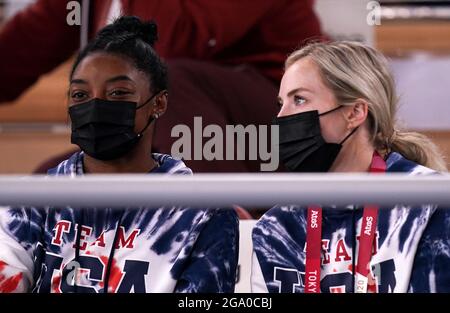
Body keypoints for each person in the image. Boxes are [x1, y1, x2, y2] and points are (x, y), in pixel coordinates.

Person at [0, 16, 238, 293]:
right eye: (79, 95)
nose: (96, 104)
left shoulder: (204, 213)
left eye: (117, 93)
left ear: (158, 103)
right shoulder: (30, 203)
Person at [0, 0, 322, 173]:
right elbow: (26, 45)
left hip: (279, 126)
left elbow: (176, 38)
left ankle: (223, 238)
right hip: (168, 128)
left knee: (171, 82)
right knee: (52, 184)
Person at [251, 41, 450, 293]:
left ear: (355, 112)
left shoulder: (428, 203)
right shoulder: (276, 228)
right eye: (281, 102)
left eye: (299, 99)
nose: (281, 117)